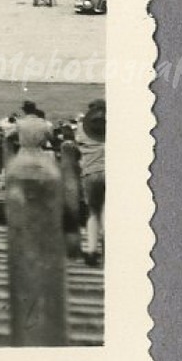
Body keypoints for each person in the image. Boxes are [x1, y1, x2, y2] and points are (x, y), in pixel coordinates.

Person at [77, 98, 106, 266]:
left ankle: (92, 250)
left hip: (90, 173)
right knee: (108, 212)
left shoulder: (82, 129)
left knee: (93, 213)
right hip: (111, 172)